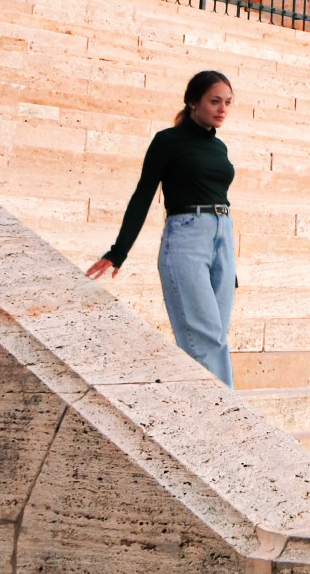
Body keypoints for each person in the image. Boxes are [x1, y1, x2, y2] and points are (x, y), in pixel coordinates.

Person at [86, 69, 237, 387]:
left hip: (221, 238)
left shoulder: (218, 148)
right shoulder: (167, 142)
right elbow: (143, 195)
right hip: (186, 238)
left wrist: (225, 257)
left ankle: (214, 416)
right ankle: (223, 418)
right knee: (206, 340)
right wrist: (118, 251)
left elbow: (218, 196)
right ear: (193, 102)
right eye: (214, 101)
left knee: (216, 338)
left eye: (227, 102)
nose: (222, 108)